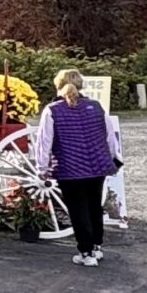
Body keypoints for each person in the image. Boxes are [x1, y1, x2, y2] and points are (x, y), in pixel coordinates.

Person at [35, 69, 121, 267]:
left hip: (70, 167)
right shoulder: (96, 106)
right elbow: (109, 137)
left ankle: (86, 251)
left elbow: (44, 141)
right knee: (94, 206)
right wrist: (111, 158)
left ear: (57, 85)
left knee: (77, 208)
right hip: (97, 165)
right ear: (81, 85)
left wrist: (42, 168)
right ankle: (97, 246)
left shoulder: (52, 110)